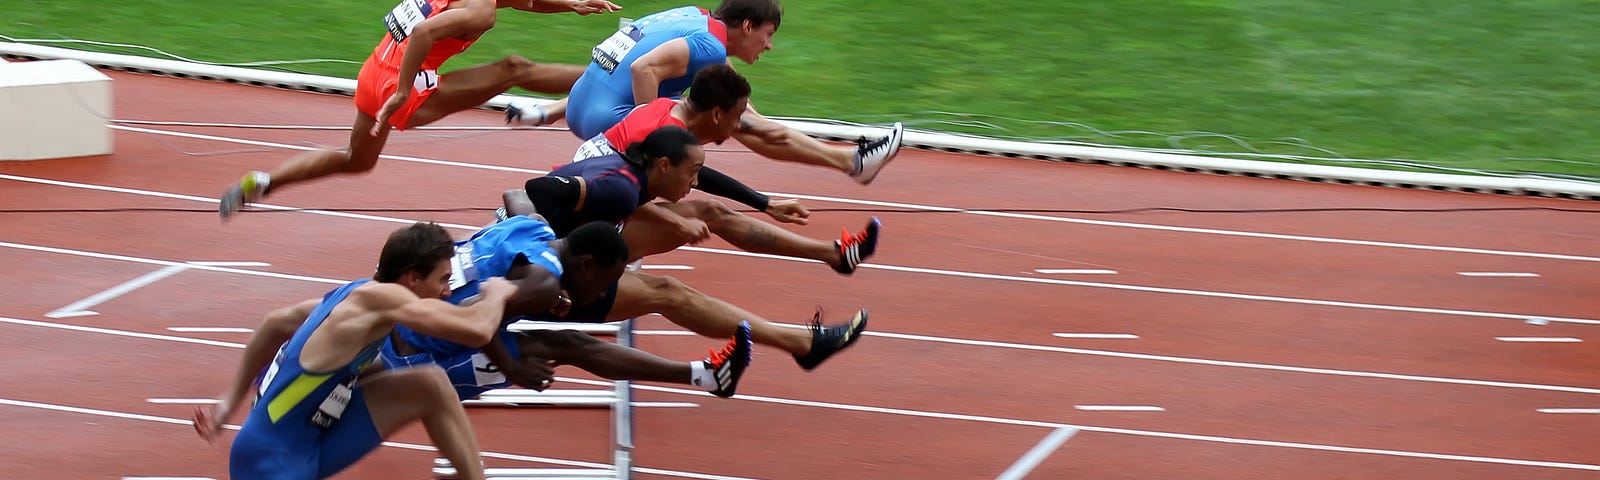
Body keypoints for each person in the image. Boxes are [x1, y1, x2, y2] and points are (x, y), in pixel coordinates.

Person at [219, 0, 624, 219]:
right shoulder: (480, 11)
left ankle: (264, 181)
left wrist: (570, 4)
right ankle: (613, 76)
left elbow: (526, 3)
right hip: (403, 88)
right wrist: (401, 91)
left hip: (373, 71)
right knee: (513, 69)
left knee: (356, 160)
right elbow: (425, 31)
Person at [514, 125, 871, 371]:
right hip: (535, 279)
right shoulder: (623, 190)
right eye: (693, 172)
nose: (697, 181)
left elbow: (600, 196)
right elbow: (539, 188)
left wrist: (759, 202)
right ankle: (802, 344)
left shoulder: (633, 172)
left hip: (540, 254)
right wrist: (548, 264)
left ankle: (832, 256)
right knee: (669, 293)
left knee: (707, 211)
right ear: (665, 165)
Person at [193, 222, 517, 479]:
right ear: (412, 279)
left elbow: (275, 322)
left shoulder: (358, 296)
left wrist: (226, 405)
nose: (448, 291)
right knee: (420, 378)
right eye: (443, 279)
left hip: (311, 441)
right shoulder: (379, 301)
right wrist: (497, 294)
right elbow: (477, 330)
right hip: (270, 461)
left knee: (428, 383)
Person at [507, 0, 904, 185]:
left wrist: (548, 112)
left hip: (580, 104)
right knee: (725, 125)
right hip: (602, 119)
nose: (769, 47)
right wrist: (658, 131)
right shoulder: (708, 47)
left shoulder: (695, 20)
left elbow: (609, 65)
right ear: (747, 26)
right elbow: (642, 67)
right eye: (768, 36)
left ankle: (851, 162)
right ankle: (852, 164)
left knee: (739, 120)